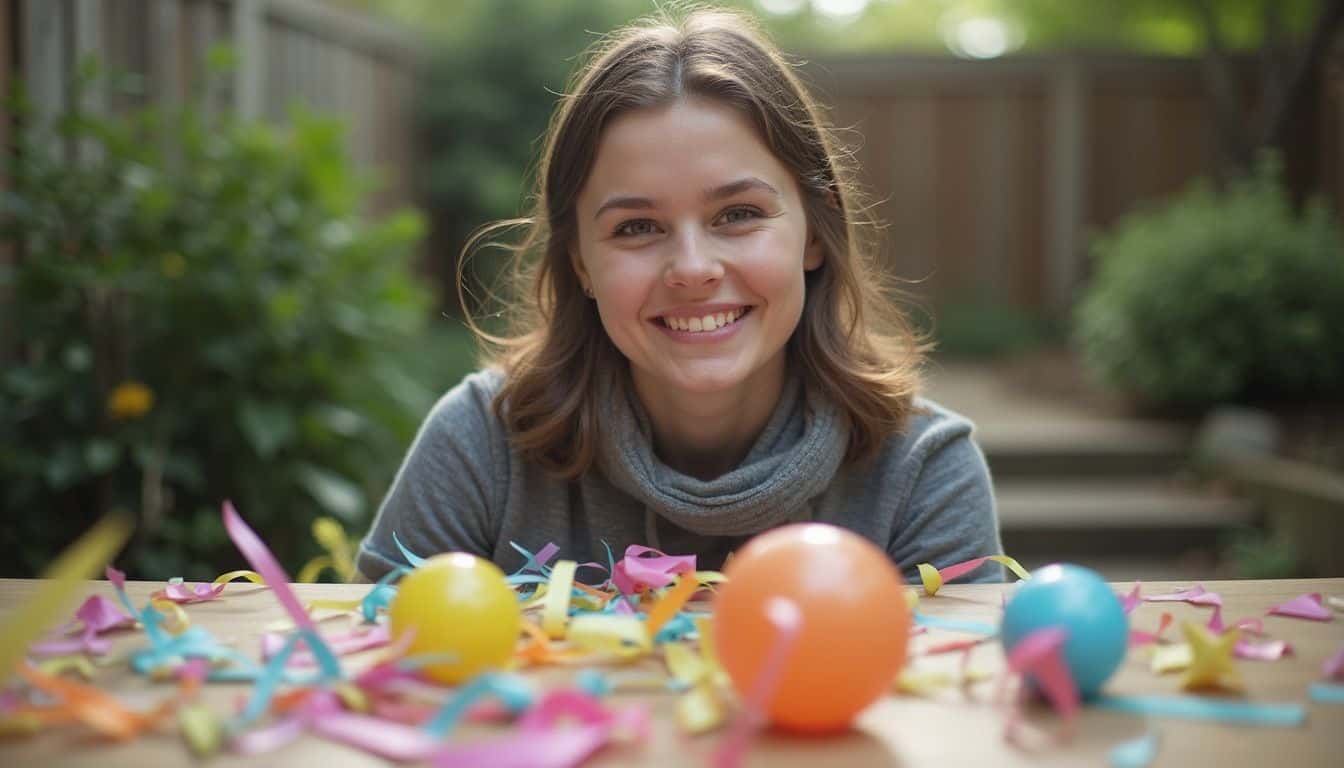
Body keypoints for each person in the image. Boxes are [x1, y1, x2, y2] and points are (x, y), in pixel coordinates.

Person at [356, 7, 1004, 584]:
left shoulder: (922, 471)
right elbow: (380, 678)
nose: (692, 268)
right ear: (580, 261)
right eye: (637, 227)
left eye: (739, 214)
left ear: (815, 234)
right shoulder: (482, 447)